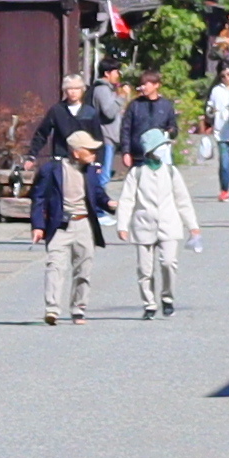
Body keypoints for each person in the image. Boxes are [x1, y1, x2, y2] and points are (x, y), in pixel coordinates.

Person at [111, 109, 196, 317]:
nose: (163, 151)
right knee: (145, 269)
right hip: (143, 224)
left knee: (168, 262)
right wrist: (122, 225)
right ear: (150, 150)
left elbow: (182, 199)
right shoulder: (137, 173)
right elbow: (127, 200)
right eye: (160, 147)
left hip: (168, 224)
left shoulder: (171, 172)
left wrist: (192, 225)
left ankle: (167, 298)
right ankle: (149, 303)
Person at [33, 119, 103, 323]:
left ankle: (78, 308)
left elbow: (98, 194)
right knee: (55, 266)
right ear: (75, 152)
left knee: (84, 268)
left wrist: (111, 204)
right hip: (60, 226)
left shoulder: (90, 171)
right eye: (89, 150)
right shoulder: (51, 170)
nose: (93, 154)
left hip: (84, 225)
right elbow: (38, 198)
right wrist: (38, 226)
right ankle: (52, 309)